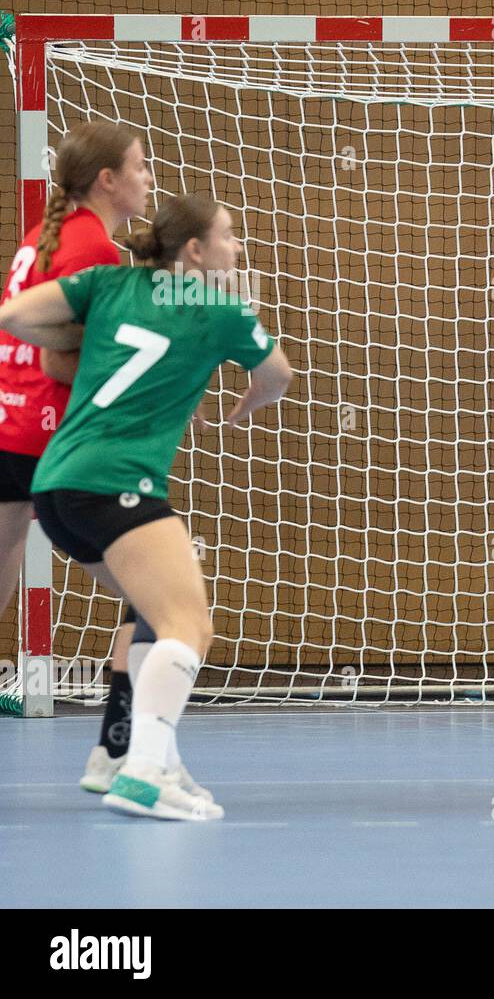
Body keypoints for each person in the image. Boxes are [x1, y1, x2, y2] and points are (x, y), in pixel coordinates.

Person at [0, 194, 293, 820]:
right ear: (194, 251)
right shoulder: (220, 308)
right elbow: (279, 376)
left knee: (153, 612)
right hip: (117, 484)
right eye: (229, 236)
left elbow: (19, 315)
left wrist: (85, 336)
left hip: (54, 486)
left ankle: (125, 751)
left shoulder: (108, 283)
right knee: (189, 625)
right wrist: (247, 402)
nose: (237, 249)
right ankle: (145, 773)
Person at [0, 122, 152, 788]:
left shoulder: (44, 236)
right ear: (106, 180)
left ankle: (115, 750)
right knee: (156, 594)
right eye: (140, 167)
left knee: (4, 551)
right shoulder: (93, 248)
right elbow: (70, 358)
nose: (149, 178)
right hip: (46, 434)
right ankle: (118, 750)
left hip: (7, 423)